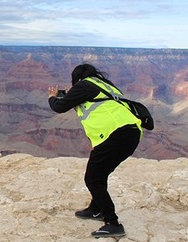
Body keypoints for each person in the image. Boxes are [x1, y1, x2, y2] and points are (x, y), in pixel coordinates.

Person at [48, 63, 143, 238]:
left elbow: (59, 107)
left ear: (76, 78)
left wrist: (52, 97)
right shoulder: (104, 85)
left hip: (117, 135)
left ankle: (112, 223)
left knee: (92, 179)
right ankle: (96, 209)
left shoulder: (83, 86)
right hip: (131, 133)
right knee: (100, 175)